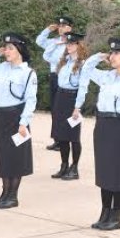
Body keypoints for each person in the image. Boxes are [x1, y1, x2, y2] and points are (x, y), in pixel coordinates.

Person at [81, 38, 120, 231]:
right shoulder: (107, 77)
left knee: (117, 175)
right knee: (104, 173)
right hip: (103, 127)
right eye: (111, 53)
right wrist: (98, 57)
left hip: (119, 129)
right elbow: (86, 69)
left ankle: (115, 216)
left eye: (117, 53)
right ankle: (104, 213)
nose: (113, 56)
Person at [0, 32, 38, 209]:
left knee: (16, 157)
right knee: (3, 156)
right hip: (0, 116)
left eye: (10, 48)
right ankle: (4, 192)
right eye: (5, 48)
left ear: (19, 50)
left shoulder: (28, 73)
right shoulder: (1, 68)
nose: (7, 51)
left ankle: (12, 195)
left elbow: (31, 100)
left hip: (16, 117)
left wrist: (24, 122)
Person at [44, 31, 89, 180]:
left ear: (78, 45)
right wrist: (55, 43)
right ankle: (64, 165)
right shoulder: (64, 61)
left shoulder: (82, 64)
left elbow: (83, 87)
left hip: (72, 99)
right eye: (67, 43)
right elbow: (46, 56)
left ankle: (74, 167)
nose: (68, 46)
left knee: (73, 136)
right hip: (60, 97)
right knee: (61, 135)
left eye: (71, 43)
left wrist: (78, 107)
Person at [36, 16, 74, 151]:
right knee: (55, 109)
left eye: (64, 26)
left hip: (66, 79)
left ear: (70, 28)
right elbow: (39, 41)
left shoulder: (72, 43)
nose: (61, 28)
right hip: (54, 77)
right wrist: (47, 30)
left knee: (64, 110)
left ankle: (65, 139)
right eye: (60, 26)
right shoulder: (54, 41)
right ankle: (57, 139)